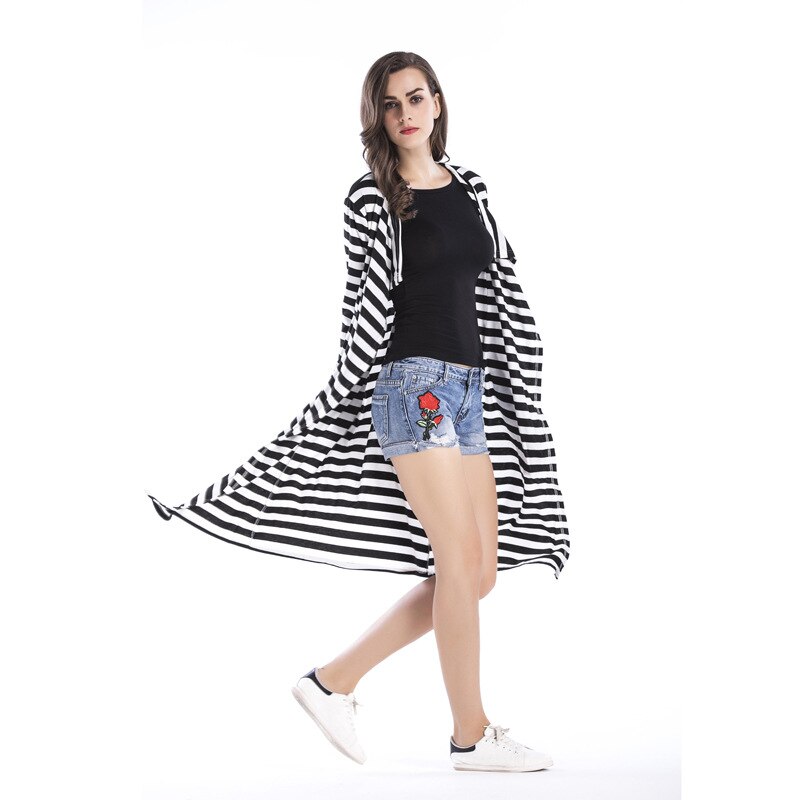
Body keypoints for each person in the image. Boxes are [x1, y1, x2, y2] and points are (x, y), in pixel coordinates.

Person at [289, 52, 558, 773]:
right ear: (377, 118)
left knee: (479, 573)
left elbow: (496, 282)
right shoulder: (372, 196)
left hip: (467, 390)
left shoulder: (470, 186)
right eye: (390, 104)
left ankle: (332, 681)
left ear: (437, 102)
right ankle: (471, 735)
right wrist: (343, 391)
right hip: (414, 386)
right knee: (456, 561)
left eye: (415, 98)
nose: (405, 113)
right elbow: (363, 301)